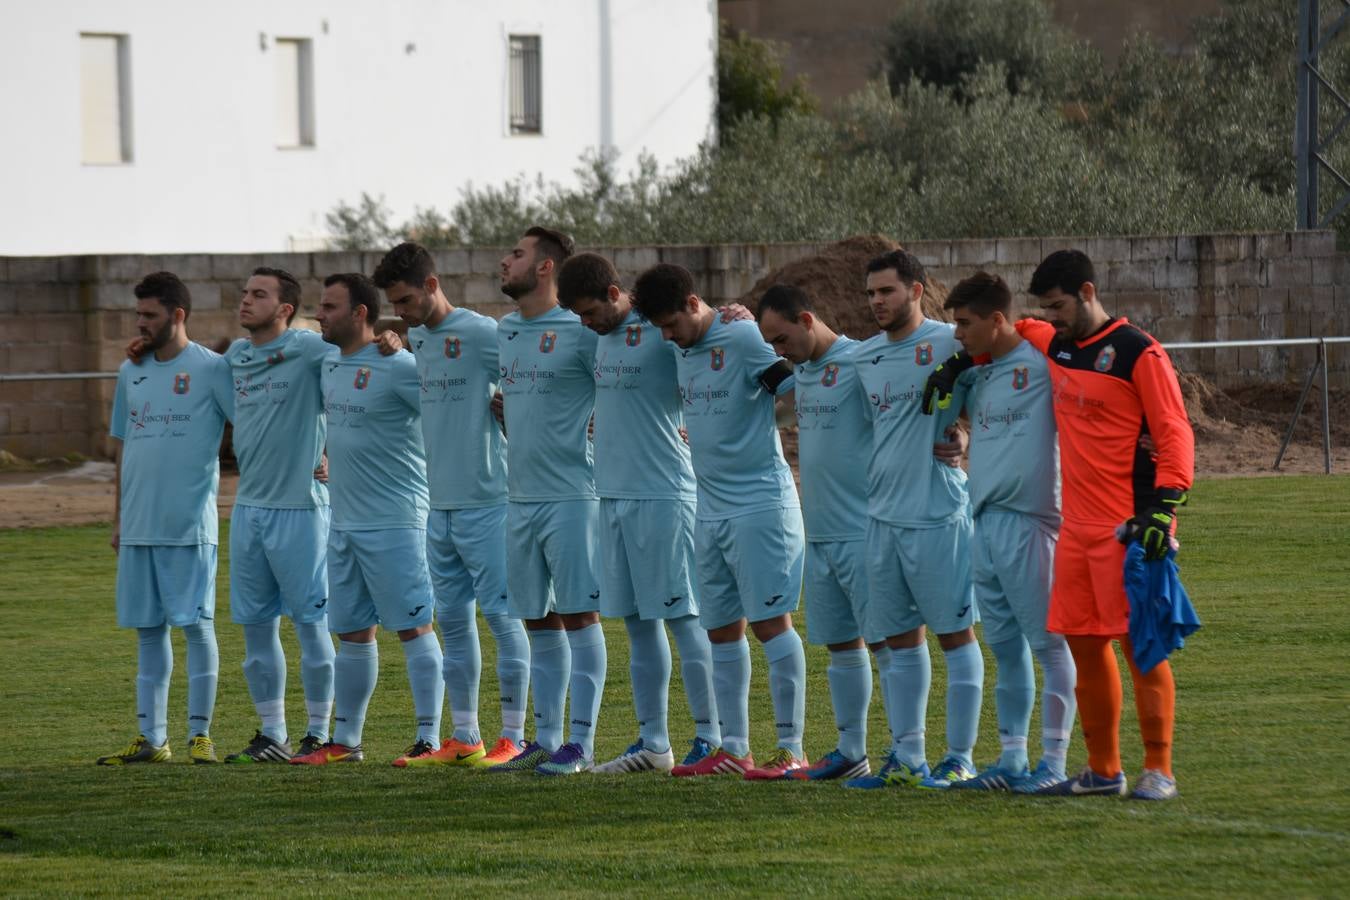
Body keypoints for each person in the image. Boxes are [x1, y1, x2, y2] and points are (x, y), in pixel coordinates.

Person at [927, 250, 1194, 800]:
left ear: (1088, 292)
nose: (1051, 319)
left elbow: (1173, 431)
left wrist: (1165, 506)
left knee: (1139, 644)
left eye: (1059, 307)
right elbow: (1011, 329)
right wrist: (963, 363)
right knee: (1084, 646)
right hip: (1075, 529)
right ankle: (1101, 769)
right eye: (1045, 311)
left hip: (1128, 526)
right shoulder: (1056, 343)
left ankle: (1159, 770)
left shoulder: (1137, 352)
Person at [630, 263, 809, 780]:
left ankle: (790, 747)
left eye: (670, 325)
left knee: (772, 625)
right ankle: (734, 748)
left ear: (692, 304)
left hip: (760, 506)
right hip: (709, 510)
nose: (666, 338)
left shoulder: (743, 336)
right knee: (720, 632)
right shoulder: (683, 346)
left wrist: (763, 428)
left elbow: (794, 387)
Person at [556, 252, 720, 774]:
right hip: (613, 495)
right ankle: (654, 743)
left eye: (589, 312)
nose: (585, 324)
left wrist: (733, 310)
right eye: (577, 317)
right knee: (635, 623)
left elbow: (710, 338)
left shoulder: (659, 329)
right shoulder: (593, 337)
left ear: (613, 293)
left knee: (682, 616)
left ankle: (711, 738)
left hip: (665, 493)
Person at [373, 241, 531, 768]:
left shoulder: (482, 333)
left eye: (407, 300)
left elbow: (528, 382)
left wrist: (511, 408)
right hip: (438, 506)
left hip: (489, 502)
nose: (403, 311)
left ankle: (515, 736)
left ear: (433, 285)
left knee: (505, 621)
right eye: (395, 304)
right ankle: (465, 736)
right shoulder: (416, 336)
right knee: (456, 626)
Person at [289, 273, 445, 766]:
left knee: (414, 627)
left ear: (360, 313)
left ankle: (430, 738)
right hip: (344, 521)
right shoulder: (329, 363)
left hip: (396, 520)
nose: (320, 315)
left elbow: (445, 416)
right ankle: (346, 742)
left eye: (330, 307)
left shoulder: (397, 364)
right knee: (352, 632)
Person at [931, 272, 1077, 793]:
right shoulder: (980, 372)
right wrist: (959, 433)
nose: (957, 334)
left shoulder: (1045, 360)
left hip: (1032, 521)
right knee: (1006, 648)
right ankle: (1013, 758)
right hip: (984, 522)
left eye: (965, 323)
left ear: (997, 319)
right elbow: (968, 425)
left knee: (1050, 646)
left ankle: (1054, 763)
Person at [845, 249, 984, 791]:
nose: (877, 302)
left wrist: (966, 434)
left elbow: (988, 401)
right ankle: (908, 756)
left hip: (937, 515)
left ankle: (961, 757)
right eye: (871, 293)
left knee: (955, 636)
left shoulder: (954, 342)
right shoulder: (865, 358)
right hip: (880, 518)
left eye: (887, 291)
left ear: (916, 289)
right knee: (900, 642)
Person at [97, 272, 233, 765]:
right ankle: (152, 739)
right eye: (138, 314)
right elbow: (122, 448)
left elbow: (253, 427)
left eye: (149, 314)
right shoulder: (129, 370)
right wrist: (117, 520)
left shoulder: (213, 368)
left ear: (178, 315)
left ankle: (201, 734)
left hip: (188, 526)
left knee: (197, 627)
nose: (140, 323)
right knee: (148, 632)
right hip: (138, 527)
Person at [488, 227, 608, 776]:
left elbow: (631, 387)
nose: (505, 261)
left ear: (544, 268)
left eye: (516, 253)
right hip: (519, 498)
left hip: (571, 497)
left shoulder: (582, 332)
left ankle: (581, 744)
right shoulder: (507, 330)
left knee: (581, 617)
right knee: (538, 620)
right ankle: (546, 738)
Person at [754, 284, 886, 781]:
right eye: (771, 343)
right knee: (840, 644)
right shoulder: (802, 372)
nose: (778, 351)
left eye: (783, 338)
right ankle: (851, 753)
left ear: (807, 320)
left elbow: (903, 415)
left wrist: (952, 435)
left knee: (885, 643)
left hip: (864, 528)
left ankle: (903, 751)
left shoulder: (860, 362)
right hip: (822, 531)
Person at [218, 268, 339, 763]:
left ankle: (317, 732)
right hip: (248, 510)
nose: (245, 301)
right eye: (244, 292)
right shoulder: (236, 357)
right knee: (255, 627)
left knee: (313, 624)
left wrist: (334, 448)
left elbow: (359, 376)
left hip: (301, 510)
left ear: (285, 309)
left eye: (259, 295)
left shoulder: (311, 349)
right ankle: (272, 734)